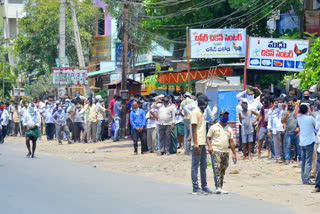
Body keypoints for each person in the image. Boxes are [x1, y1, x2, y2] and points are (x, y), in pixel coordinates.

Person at [207, 110, 237, 194]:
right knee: (217, 168)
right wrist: (210, 146)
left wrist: (234, 154)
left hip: (225, 151)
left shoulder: (229, 129)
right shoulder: (214, 127)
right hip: (216, 150)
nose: (225, 118)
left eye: (226, 116)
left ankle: (221, 186)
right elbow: (208, 138)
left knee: (223, 168)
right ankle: (218, 187)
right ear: (220, 117)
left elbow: (231, 142)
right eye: (224, 116)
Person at [190, 95, 214, 195]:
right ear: (202, 102)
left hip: (203, 142)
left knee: (203, 165)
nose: (207, 104)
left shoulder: (201, 113)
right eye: (206, 102)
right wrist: (195, 144)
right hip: (197, 142)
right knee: (195, 165)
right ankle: (195, 187)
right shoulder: (195, 112)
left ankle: (204, 186)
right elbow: (194, 128)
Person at [297, 103, 316, 185]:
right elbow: (316, 126)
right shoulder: (311, 118)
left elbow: (296, 114)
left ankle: (303, 178)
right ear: (308, 110)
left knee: (304, 161)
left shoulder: (299, 118)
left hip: (302, 142)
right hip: (309, 141)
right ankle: (307, 179)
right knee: (308, 161)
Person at [281, 98, 300, 164]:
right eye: (289, 104)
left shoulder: (296, 111)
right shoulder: (285, 112)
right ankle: (287, 159)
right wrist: (286, 116)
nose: (290, 105)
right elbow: (282, 121)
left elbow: (298, 118)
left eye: (291, 103)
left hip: (296, 132)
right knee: (287, 146)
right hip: (288, 132)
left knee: (298, 146)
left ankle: (300, 159)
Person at [267, 98, 285, 163]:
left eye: (281, 102)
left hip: (283, 129)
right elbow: (269, 118)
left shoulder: (284, 110)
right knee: (276, 144)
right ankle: (278, 157)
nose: (279, 104)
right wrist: (273, 106)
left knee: (283, 144)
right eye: (278, 102)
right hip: (275, 129)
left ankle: (283, 156)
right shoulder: (272, 111)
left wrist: (284, 107)